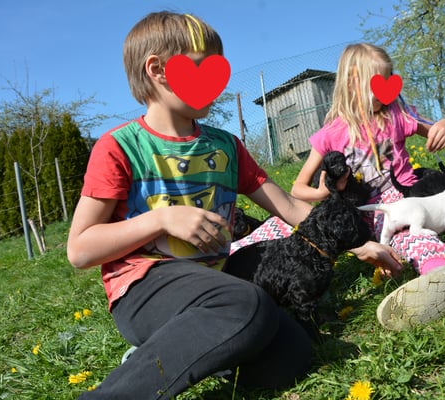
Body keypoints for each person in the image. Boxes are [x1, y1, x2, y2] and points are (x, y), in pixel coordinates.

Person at [66, 14, 401, 399]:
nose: (216, 83)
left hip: (218, 280)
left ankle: (178, 349)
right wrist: (162, 219)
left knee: (293, 353)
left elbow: (289, 208)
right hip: (146, 288)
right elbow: (80, 249)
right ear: (157, 70)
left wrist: (359, 245)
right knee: (247, 304)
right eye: (202, 68)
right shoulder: (119, 147)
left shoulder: (225, 147)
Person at [290, 43, 445, 331]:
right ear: (352, 84)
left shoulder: (396, 115)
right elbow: (297, 189)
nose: (384, 90)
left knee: (412, 234)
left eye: (388, 80)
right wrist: (323, 192)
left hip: (405, 199)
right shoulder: (331, 134)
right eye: (377, 82)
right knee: (288, 228)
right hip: (364, 208)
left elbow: (442, 133)